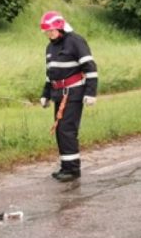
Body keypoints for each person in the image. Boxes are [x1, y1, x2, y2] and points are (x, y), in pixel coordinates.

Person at [39, 11, 97, 182]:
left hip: (74, 93)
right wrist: (46, 94)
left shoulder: (75, 41)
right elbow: (50, 74)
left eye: (51, 31)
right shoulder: (50, 48)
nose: (49, 35)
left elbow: (90, 68)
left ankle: (72, 170)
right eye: (47, 32)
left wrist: (90, 92)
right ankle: (66, 166)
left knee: (67, 130)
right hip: (58, 94)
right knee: (60, 130)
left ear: (60, 28)